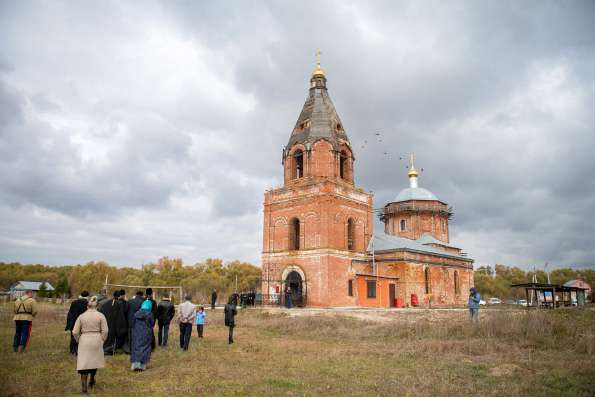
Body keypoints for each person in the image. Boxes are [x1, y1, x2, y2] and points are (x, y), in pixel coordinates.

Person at [72, 296, 108, 394]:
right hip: (97, 340)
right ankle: (92, 379)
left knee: (84, 364)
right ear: (96, 306)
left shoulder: (81, 316)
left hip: (84, 340)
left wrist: (79, 340)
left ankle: (84, 389)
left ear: (87, 306)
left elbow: (75, 332)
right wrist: (102, 339)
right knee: (94, 362)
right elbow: (105, 330)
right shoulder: (101, 316)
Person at [99, 290, 128, 354]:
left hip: (107, 322)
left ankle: (106, 348)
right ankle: (111, 349)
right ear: (119, 296)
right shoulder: (119, 304)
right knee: (113, 337)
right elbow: (121, 316)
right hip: (114, 324)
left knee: (108, 337)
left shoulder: (106, 303)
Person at [130, 300, 154, 371]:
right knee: (145, 348)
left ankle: (135, 365)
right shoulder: (150, 314)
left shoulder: (136, 313)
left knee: (136, 347)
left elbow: (132, 323)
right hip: (146, 333)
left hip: (136, 333)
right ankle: (142, 366)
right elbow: (152, 323)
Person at [65, 291, 89, 355]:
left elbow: (70, 313)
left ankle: (72, 350)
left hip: (74, 322)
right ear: (87, 296)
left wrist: (68, 324)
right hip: (83, 322)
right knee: (83, 337)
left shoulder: (74, 302)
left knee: (73, 337)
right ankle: (81, 350)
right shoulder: (88, 303)